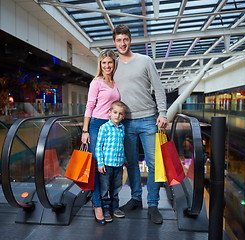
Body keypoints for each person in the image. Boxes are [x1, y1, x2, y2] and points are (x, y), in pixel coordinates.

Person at [112, 24, 168, 224]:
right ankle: (136, 199)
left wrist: (163, 113)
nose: (122, 43)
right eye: (118, 40)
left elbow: (159, 88)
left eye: (125, 39)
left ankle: (153, 204)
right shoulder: (114, 65)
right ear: (114, 42)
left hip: (148, 120)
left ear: (130, 40)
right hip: (125, 122)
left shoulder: (145, 61)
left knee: (154, 164)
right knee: (131, 164)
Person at [81, 49, 120, 225]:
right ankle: (97, 205)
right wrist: (85, 130)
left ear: (114, 64)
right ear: (100, 64)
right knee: (97, 165)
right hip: (97, 124)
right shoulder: (96, 82)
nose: (107, 66)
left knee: (109, 166)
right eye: (103, 62)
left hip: (112, 126)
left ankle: (109, 204)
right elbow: (89, 106)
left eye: (109, 62)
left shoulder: (116, 83)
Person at [95, 100, 127, 223]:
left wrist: (124, 159)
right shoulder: (104, 128)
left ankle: (115, 208)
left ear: (123, 116)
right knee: (105, 189)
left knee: (116, 188)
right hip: (106, 165)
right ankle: (106, 209)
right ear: (109, 113)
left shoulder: (122, 128)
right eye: (115, 112)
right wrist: (100, 163)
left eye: (120, 114)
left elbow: (121, 145)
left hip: (118, 164)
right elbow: (99, 146)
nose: (117, 116)